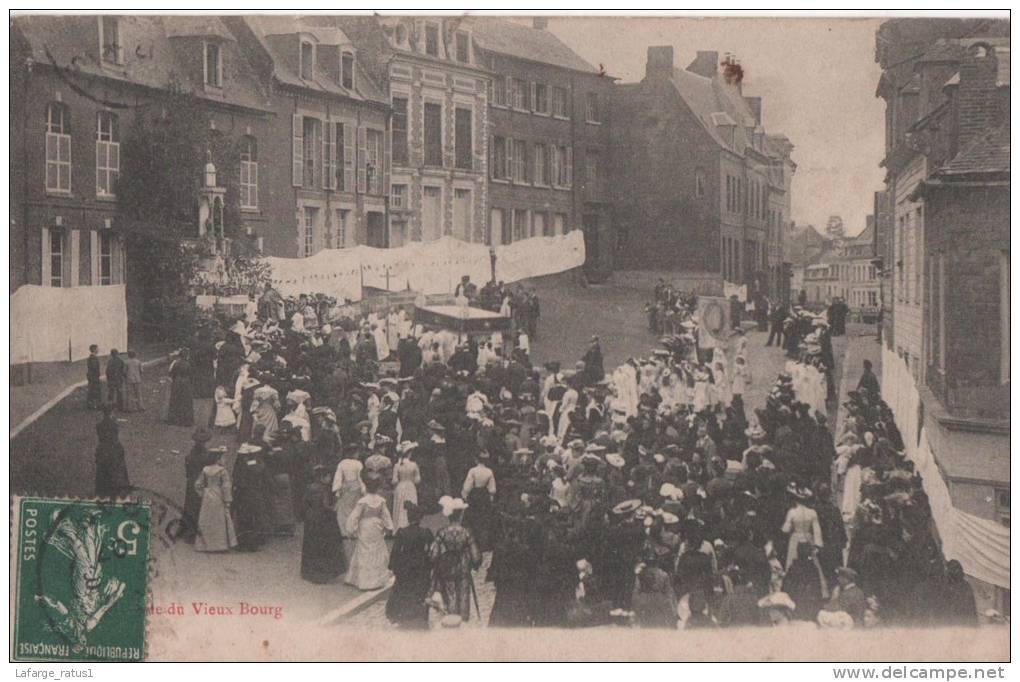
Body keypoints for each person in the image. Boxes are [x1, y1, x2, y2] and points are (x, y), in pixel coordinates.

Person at [430, 497, 481, 621]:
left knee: (450, 593)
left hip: (447, 566)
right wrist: (476, 564)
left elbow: (434, 554)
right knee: (463, 595)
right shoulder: (466, 532)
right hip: (463, 566)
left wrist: (436, 563)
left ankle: (452, 620)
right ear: (461, 514)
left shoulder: (442, 532)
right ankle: (463, 621)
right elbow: (475, 555)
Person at [386, 502, 434, 629]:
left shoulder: (402, 533)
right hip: (421, 567)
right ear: (420, 518)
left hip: (406, 566)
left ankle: (406, 615)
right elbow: (432, 550)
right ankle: (419, 615)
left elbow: (395, 552)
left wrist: (392, 566)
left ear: (408, 518)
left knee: (405, 590)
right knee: (420, 590)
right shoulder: (426, 532)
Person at [344, 476, 395, 591]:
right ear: (377, 488)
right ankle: (377, 578)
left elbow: (355, 516)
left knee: (363, 550)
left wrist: (351, 529)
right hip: (376, 526)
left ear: (366, 487)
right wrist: (389, 527)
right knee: (376, 550)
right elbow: (385, 515)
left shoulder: (363, 501)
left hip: (365, 526)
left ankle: (362, 579)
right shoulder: (381, 500)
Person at [301, 465, 347, 584]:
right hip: (322, 519)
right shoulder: (323, 489)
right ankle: (323, 573)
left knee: (311, 544)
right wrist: (336, 505)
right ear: (322, 477)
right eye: (328, 476)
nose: (330, 478)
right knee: (324, 545)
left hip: (311, 518)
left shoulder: (309, 487)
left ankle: (310, 572)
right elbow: (326, 506)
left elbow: (304, 503)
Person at [194, 446, 238, 552]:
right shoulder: (222, 471)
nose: (224, 460)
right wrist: (227, 500)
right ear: (218, 458)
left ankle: (204, 545)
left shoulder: (205, 469)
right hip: (218, 495)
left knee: (207, 519)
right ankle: (219, 545)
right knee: (219, 520)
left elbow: (198, 484)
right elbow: (226, 487)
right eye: (223, 458)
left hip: (207, 496)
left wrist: (202, 494)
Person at [460, 451, 497, 552]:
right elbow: (492, 489)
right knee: (483, 519)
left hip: (474, 495)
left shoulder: (473, 471)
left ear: (476, 459)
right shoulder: (489, 471)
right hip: (484, 495)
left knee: (472, 518)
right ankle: (483, 543)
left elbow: (467, 486)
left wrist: (464, 495)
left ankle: (472, 542)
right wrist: (490, 498)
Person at [781, 485, 824, 569]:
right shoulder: (812, 512)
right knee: (811, 562)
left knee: (793, 561)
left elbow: (786, 529)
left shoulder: (792, 512)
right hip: (808, 538)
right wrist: (817, 544)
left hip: (795, 538)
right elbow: (817, 531)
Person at [182, 428, 213, 543]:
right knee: (199, 505)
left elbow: (187, 469)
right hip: (200, 480)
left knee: (190, 504)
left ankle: (188, 530)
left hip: (191, 481)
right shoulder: (205, 456)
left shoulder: (191, 454)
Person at [94, 405, 130, 498]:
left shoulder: (99, 426)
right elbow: (115, 439)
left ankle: (102, 491)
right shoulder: (114, 425)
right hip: (113, 450)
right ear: (111, 413)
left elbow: (101, 439)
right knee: (117, 471)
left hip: (103, 450)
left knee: (102, 472)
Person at [392, 442, 422, 530]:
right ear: (409, 453)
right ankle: (410, 526)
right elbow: (417, 480)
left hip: (400, 487)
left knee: (400, 506)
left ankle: (398, 527)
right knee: (410, 506)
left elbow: (394, 480)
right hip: (410, 487)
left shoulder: (397, 465)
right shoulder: (414, 465)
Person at [939, 560, 978, 627]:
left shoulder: (965, 586)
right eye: (952, 570)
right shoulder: (945, 585)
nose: (955, 572)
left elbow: (971, 608)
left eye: (956, 570)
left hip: (962, 620)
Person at [166, 349, 195, 427]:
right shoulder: (188, 364)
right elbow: (191, 374)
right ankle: (185, 419)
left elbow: (171, 374)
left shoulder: (176, 364)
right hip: (185, 382)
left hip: (177, 382)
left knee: (176, 400)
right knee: (186, 401)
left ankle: (174, 419)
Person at [86, 344, 102, 410]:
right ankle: (95, 405)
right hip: (94, 377)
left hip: (91, 376)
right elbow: (95, 368)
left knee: (92, 390)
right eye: (97, 349)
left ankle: (91, 404)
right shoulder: (93, 358)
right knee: (95, 391)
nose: (98, 350)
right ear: (94, 350)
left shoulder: (91, 358)